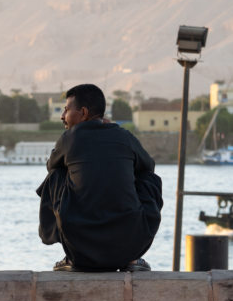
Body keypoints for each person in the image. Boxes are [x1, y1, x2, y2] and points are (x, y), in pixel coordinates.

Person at [36, 84, 163, 272]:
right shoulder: (124, 136)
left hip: (79, 249)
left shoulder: (70, 138)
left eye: (66, 110)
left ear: (84, 112)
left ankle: (69, 257)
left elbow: (51, 166)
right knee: (148, 177)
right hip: (128, 246)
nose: (62, 116)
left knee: (56, 175)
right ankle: (133, 259)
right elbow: (148, 167)